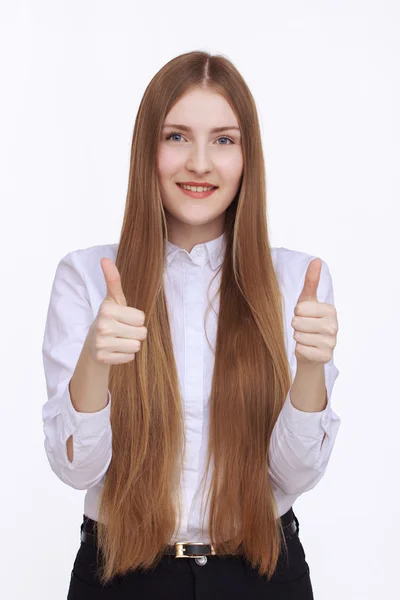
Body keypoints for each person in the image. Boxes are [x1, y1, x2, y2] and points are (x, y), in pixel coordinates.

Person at [41, 50, 341, 600]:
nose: (199, 162)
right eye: (177, 136)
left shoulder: (295, 280)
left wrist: (311, 371)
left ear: (248, 157)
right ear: (146, 151)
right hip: (124, 574)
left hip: (262, 573)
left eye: (223, 140)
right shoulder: (86, 277)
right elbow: (77, 471)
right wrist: (95, 360)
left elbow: (293, 478)